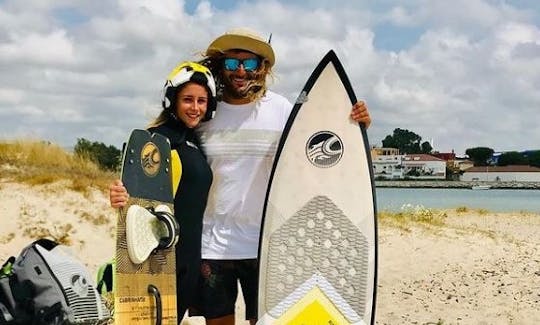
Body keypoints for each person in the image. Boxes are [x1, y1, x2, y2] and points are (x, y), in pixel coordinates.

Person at [194, 28, 372, 325]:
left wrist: (355, 125)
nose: (240, 71)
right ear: (219, 66)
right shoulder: (206, 113)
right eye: (231, 63)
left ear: (261, 67)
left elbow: (316, 154)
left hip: (269, 243)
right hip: (212, 245)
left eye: (249, 63)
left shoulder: (281, 110)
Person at [109, 61, 216, 323]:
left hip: (189, 256)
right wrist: (118, 196)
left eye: (202, 101)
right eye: (188, 99)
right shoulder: (156, 140)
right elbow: (134, 199)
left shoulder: (194, 142)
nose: (195, 107)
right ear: (172, 101)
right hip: (160, 256)